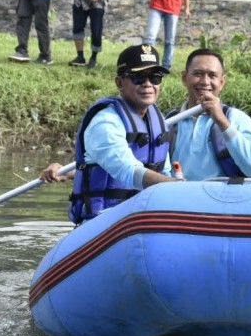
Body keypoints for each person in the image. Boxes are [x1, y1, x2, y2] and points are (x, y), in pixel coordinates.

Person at [40, 44, 177, 223]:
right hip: (103, 223)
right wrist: (179, 188)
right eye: (138, 77)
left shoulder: (156, 123)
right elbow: (128, 172)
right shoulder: (105, 122)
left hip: (140, 219)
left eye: (155, 77)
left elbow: (164, 171)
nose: (148, 84)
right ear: (119, 82)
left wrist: (179, 186)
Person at [166, 48, 251, 180]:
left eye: (212, 75)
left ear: (222, 82)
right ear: (184, 78)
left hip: (224, 198)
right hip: (180, 197)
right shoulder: (170, 121)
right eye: (198, 73)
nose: (205, 82)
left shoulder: (238, 119)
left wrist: (222, 122)